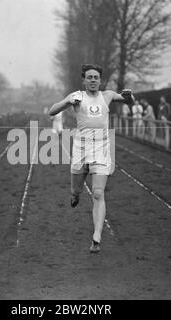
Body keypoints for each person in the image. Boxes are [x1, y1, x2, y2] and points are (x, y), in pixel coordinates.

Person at [49, 64, 134, 254]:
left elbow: (128, 101)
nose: (93, 80)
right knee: (75, 189)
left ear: (100, 80)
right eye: (90, 77)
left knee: (97, 193)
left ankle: (96, 237)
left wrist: (129, 96)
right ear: (84, 80)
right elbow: (52, 111)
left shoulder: (108, 95)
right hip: (81, 147)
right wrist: (68, 102)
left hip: (101, 147)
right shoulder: (77, 96)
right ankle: (75, 195)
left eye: (96, 77)